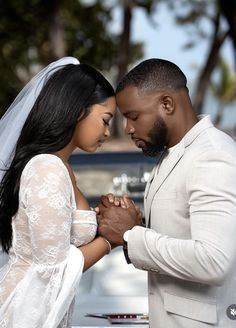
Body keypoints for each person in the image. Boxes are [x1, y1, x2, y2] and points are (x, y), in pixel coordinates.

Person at [96, 58, 236, 328]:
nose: (127, 129)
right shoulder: (175, 154)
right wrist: (135, 223)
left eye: (133, 116)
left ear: (167, 104)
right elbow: (183, 230)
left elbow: (215, 261)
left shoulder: (212, 155)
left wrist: (130, 236)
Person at [0, 56, 116, 328]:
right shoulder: (46, 168)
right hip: (22, 314)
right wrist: (111, 239)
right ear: (78, 112)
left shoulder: (62, 167)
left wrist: (101, 221)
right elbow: (52, 269)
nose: (108, 132)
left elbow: (59, 237)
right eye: (106, 120)